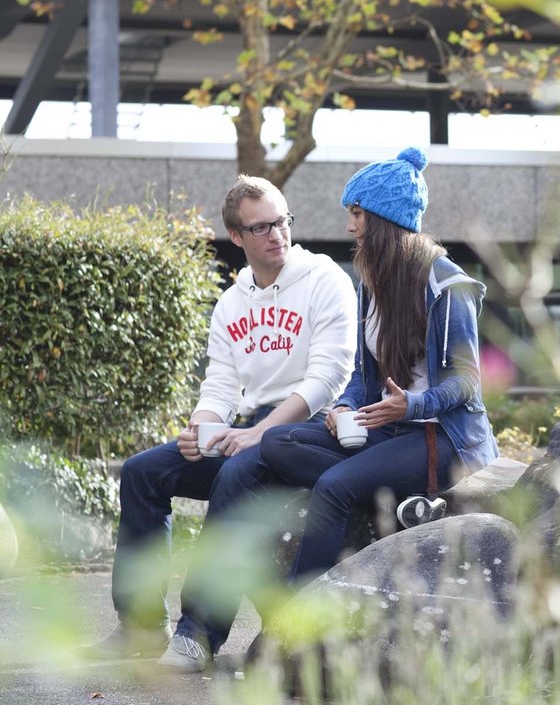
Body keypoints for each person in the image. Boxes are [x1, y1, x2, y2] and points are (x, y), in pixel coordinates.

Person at [86, 176, 357, 672]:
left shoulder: (325, 280)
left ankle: (199, 634)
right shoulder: (232, 303)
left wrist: (259, 433)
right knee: (145, 471)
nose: (277, 234)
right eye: (262, 228)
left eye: (282, 221)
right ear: (237, 236)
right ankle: (142, 625)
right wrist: (202, 427)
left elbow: (330, 376)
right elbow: (220, 384)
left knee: (237, 474)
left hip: (311, 432)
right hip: (251, 429)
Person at [260, 147, 498, 582]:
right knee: (277, 442)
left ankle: (293, 620)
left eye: (357, 213)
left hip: (440, 437)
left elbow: (466, 384)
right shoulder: (371, 283)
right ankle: (404, 503)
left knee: (334, 487)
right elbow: (359, 375)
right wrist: (346, 406)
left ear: (385, 218)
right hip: (384, 428)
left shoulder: (449, 287)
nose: (349, 224)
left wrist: (409, 405)